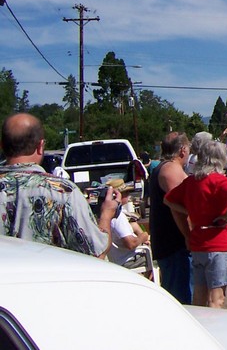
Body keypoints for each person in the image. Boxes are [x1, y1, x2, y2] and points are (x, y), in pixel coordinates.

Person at [0, 113, 118, 257]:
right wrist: (106, 214)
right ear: (40, 146)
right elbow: (96, 251)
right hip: (51, 279)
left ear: (2, 146)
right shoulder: (63, 191)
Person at [165, 140, 227, 309]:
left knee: (199, 297)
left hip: (199, 244)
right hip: (219, 244)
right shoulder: (218, 180)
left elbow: (168, 200)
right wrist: (226, 215)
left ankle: (200, 327)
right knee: (217, 299)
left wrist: (190, 211)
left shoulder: (192, 181)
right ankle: (215, 331)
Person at [149, 131, 193, 304]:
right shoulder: (171, 171)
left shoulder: (164, 168)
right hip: (175, 247)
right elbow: (179, 209)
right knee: (183, 299)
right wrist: (189, 237)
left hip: (170, 246)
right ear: (182, 150)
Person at [107, 179, 151, 272]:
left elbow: (129, 228)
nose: (128, 195)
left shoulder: (107, 213)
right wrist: (144, 236)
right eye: (126, 193)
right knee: (160, 257)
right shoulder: (118, 217)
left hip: (118, 259)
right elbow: (131, 244)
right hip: (128, 260)